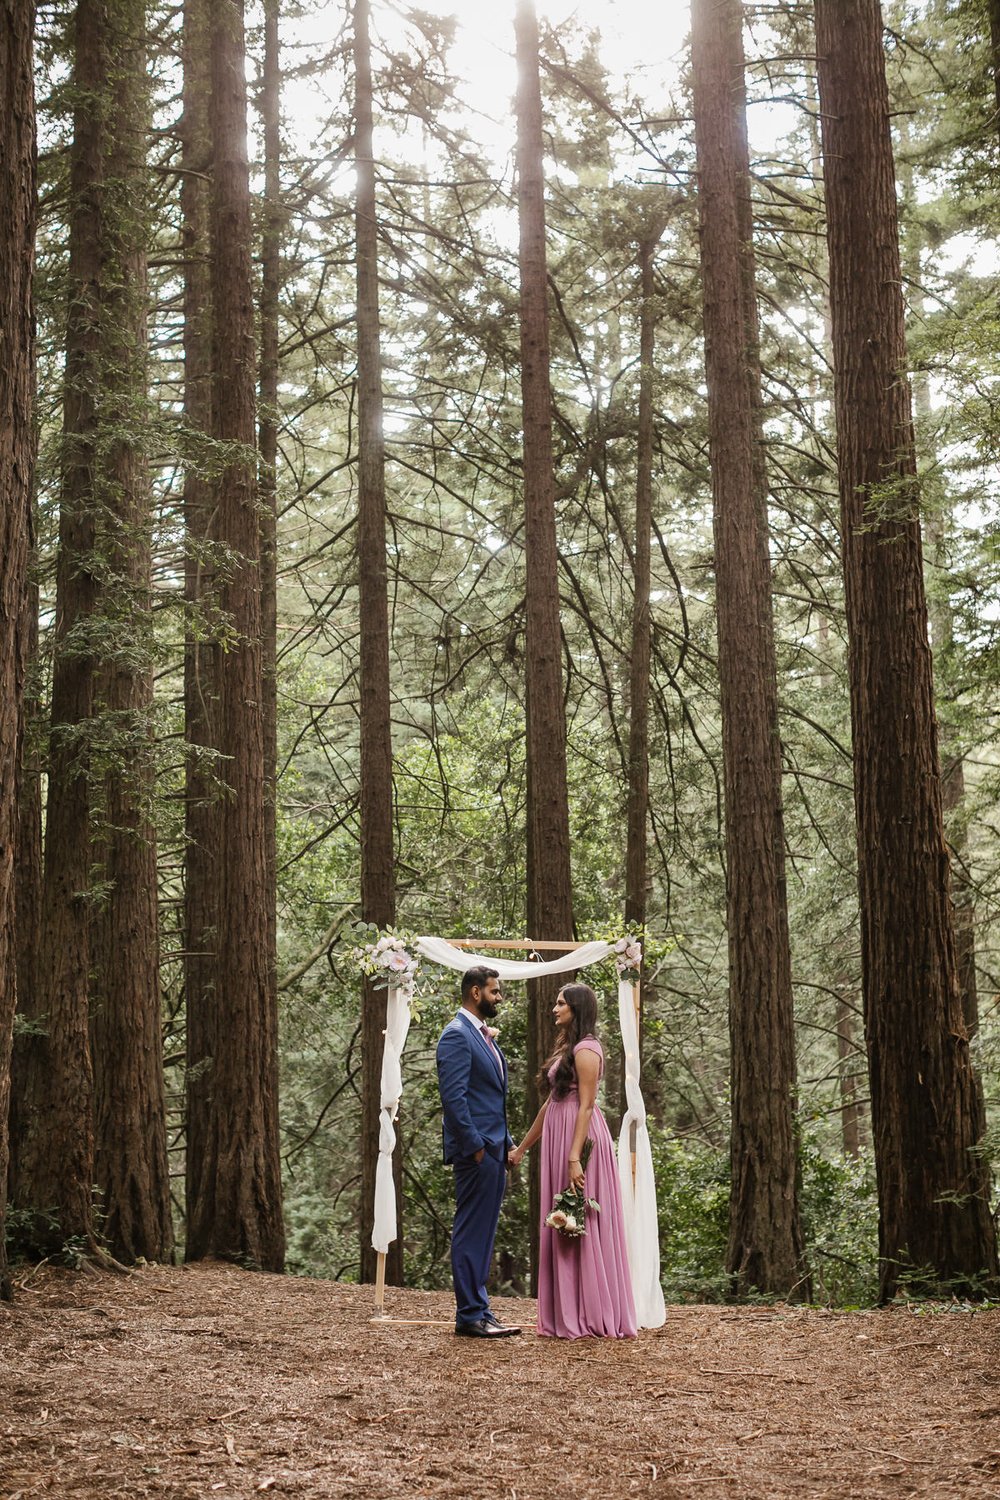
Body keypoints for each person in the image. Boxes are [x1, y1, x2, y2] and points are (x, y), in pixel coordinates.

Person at [510, 982, 637, 1339]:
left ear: (577, 1009)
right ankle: (563, 1311)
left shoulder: (587, 1049)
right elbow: (551, 1103)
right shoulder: (567, 1047)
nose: (554, 1008)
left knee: (580, 1220)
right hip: (557, 1135)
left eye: (561, 1003)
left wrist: (573, 1156)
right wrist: (522, 1148)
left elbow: (585, 1105)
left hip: (578, 1141)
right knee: (562, 1220)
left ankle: (590, 1313)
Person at [436, 966, 521, 1338]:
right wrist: (475, 1149)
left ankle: (481, 1310)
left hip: (494, 1148)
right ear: (475, 992)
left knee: (484, 1233)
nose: (499, 997)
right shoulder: (456, 1036)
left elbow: (489, 1099)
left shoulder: (482, 1036)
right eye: (494, 991)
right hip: (477, 1154)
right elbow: (454, 1101)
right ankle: (469, 1314)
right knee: (471, 1231)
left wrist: (507, 1141)